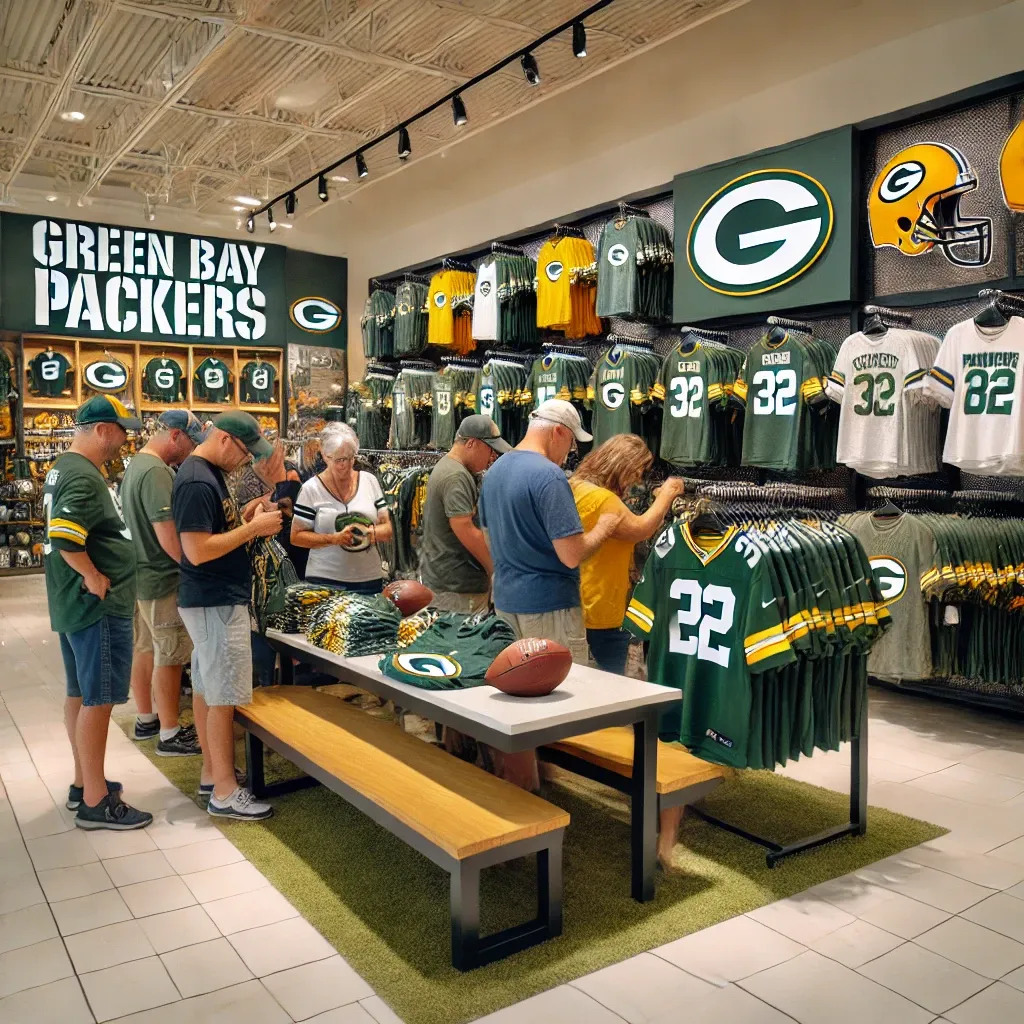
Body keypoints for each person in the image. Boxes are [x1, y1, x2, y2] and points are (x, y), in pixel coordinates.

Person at [478, 399, 620, 790]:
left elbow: (490, 540)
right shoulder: (548, 476)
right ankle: (535, 793)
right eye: (571, 443)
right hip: (551, 603)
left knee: (517, 701)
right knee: (559, 702)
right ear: (558, 431)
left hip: (506, 600)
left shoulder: (495, 471)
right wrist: (605, 527)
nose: (569, 452)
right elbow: (571, 554)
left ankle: (526, 780)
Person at [44, 396, 153, 830]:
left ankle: (82, 783)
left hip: (72, 603)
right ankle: (95, 801)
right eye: (121, 431)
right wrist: (92, 574)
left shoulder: (62, 466)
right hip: (95, 607)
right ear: (103, 429)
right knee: (99, 700)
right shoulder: (83, 476)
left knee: (80, 694)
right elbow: (66, 534)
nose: (124, 440)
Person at [173, 411, 282, 821]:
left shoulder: (206, 473)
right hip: (214, 600)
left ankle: (212, 773)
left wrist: (250, 514)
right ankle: (224, 791)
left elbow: (216, 529)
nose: (246, 460)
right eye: (244, 451)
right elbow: (198, 549)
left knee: (207, 690)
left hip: (212, 600)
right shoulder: (199, 480)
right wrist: (253, 530)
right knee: (221, 698)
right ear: (222, 439)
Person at [121, 410, 206, 756]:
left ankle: (146, 718)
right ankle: (170, 734)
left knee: (146, 648)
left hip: (140, 575)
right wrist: (195, 564)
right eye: (189, 442)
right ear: (175, 435)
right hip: (161, 577)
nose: (190, 451)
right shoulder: (157, 472)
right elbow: (169, 539)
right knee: (169, 655)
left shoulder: (136, 465)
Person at [570, 435, 685, 675]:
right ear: (623, 464)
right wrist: (667, 494)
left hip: (579, 602)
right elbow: (642, 528)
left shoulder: (577, 486)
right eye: (637, 470)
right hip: (603, 607)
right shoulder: (604, 500)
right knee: (611, 690)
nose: (638, 478)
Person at [419, 415, 510, 613]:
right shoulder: (456, 476)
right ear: (471, 443)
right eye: (490, 450)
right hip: (457, 588)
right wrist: (496, 571)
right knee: (463, 641)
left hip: (450, 582)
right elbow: (465, 529)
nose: (493, 457)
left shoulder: (450, 468)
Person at [290, 423, 393, 593]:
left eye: (351, 458)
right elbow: (296, 537)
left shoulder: (370, 481)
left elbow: (387, 529)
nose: (345, 465)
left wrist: (368, 533)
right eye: (339, 460)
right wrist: (334, 539)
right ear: (324, 456)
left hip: (369, 581)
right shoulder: (311, 489)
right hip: (325, 581)